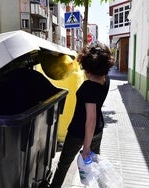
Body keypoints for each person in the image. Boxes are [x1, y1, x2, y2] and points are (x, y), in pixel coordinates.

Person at [49, 43, 115, 188]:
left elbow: (89, 119)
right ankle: (103, 185)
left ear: (88, 65)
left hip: (78, 132)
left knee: (64, 163)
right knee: (95, 162)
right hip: (98, 130)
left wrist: (85, 148)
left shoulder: (88, 87)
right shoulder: (106, 80)